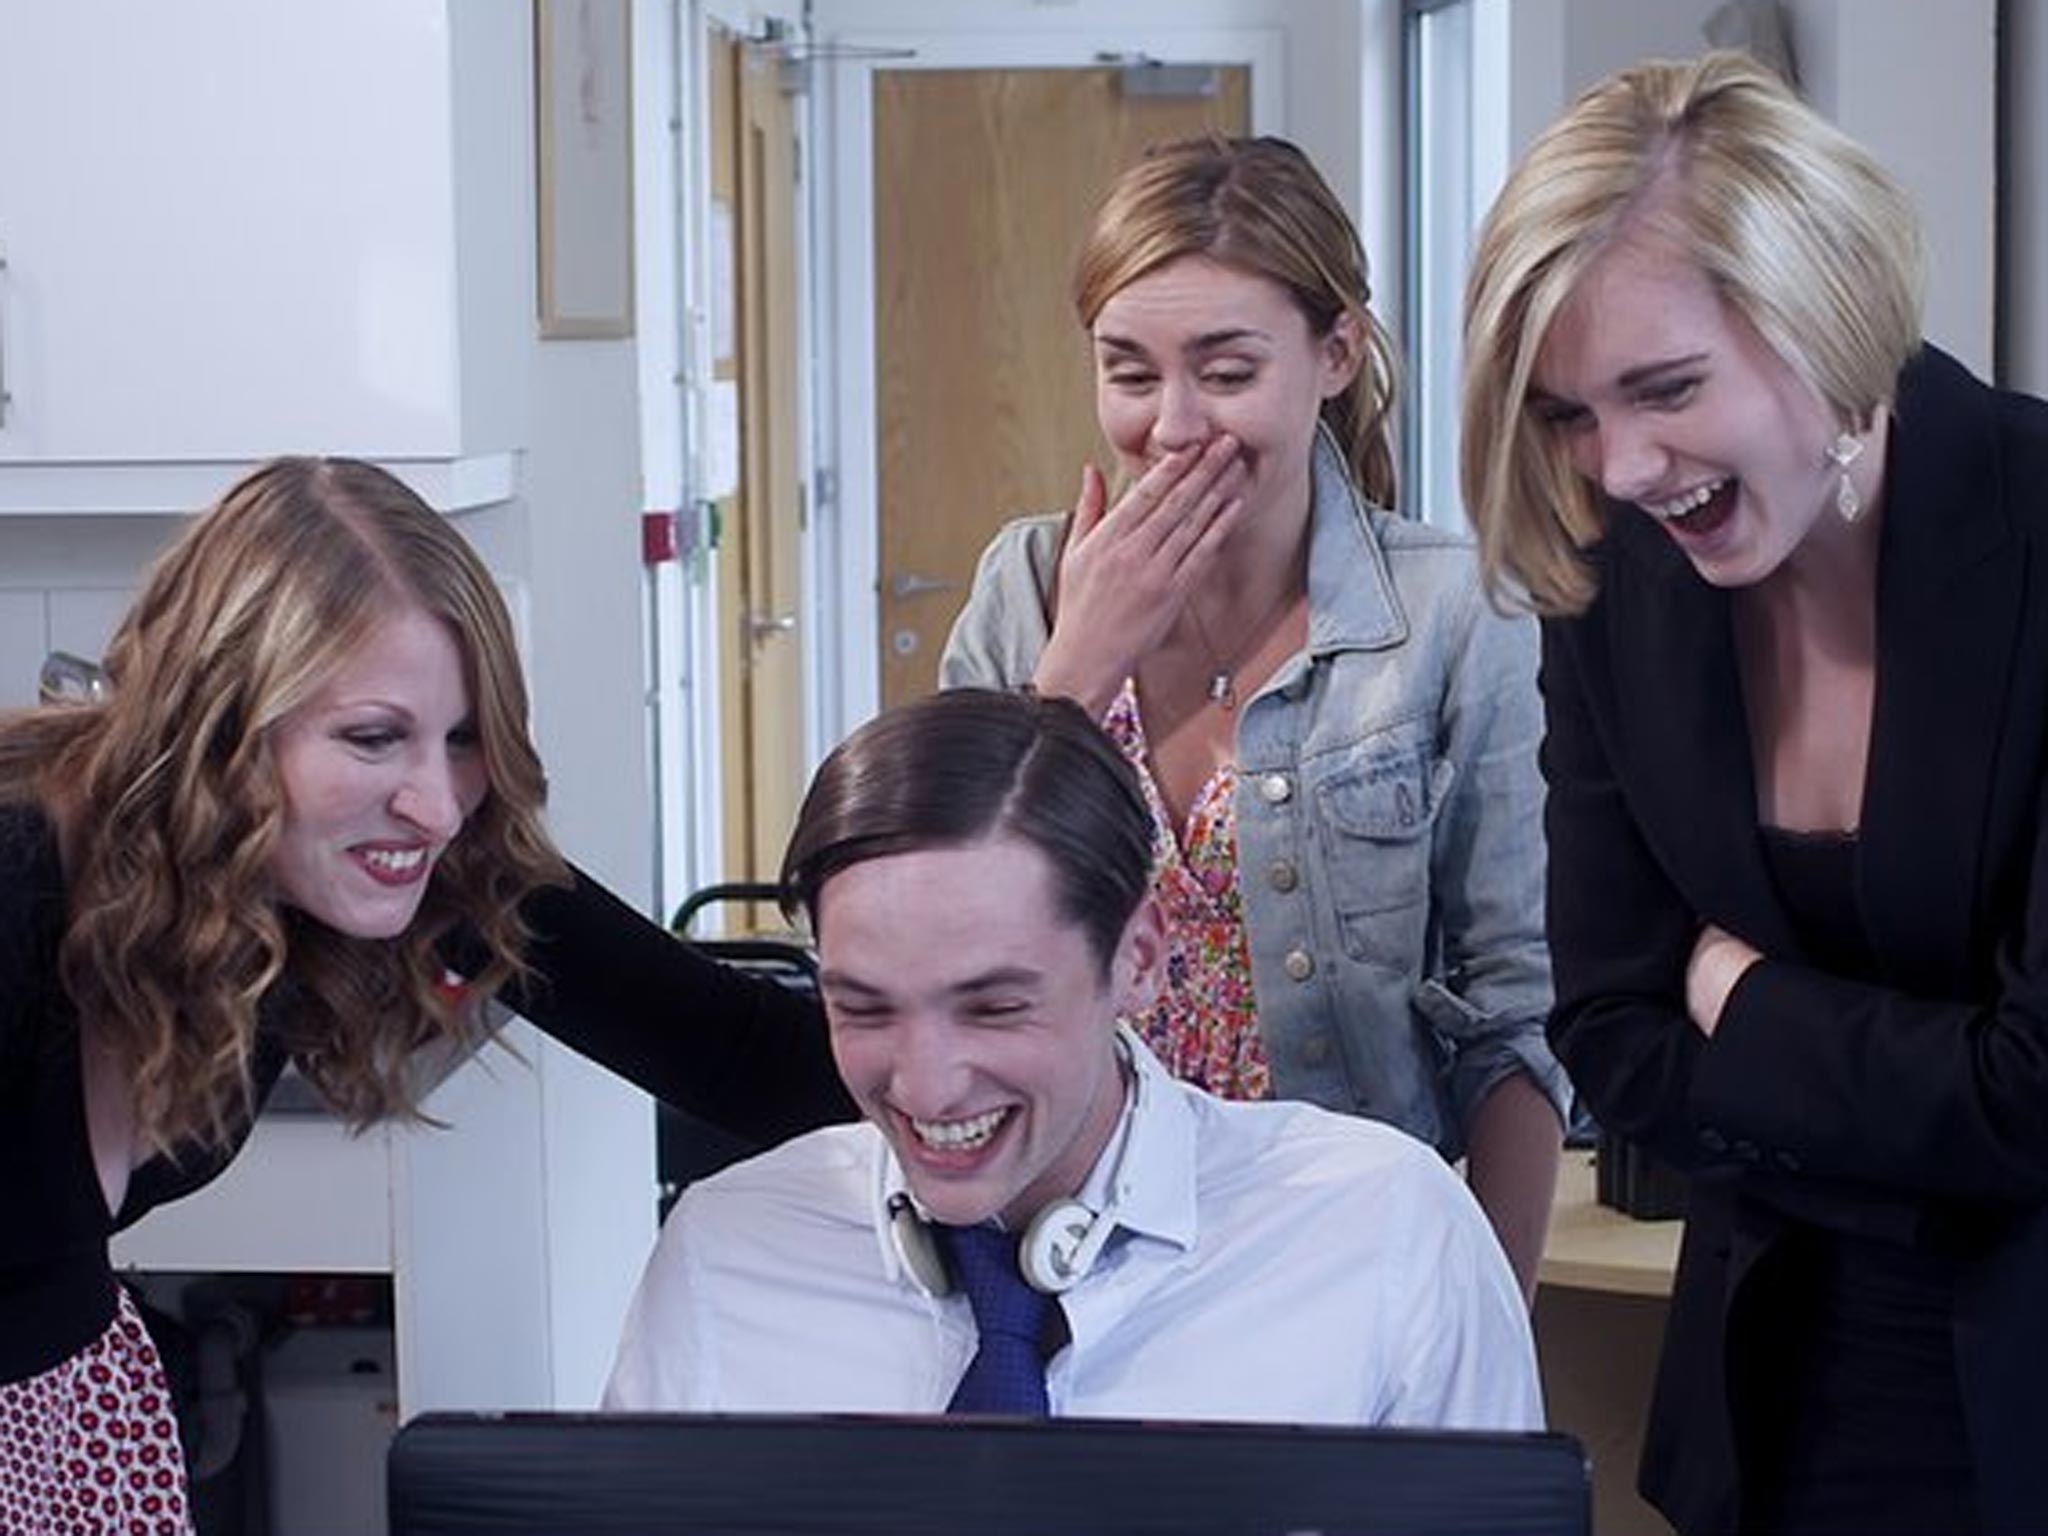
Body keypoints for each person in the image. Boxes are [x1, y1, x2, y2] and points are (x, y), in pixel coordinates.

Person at [0, 456, 849, 1534]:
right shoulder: (20, 882)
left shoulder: (395, 856)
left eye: (462, 739)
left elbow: (734, 1053)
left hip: (72, 1418)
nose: (439, 804)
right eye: (371, 737)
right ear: (219, 724)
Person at [1461, 50, 2048, 1536]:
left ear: (1824, 309)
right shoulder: (1611, 590)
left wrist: (1748, 1001)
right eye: (1568, 414)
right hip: (1776, 1395)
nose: (1625, 466)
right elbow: (1610, 1028)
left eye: (1666, 390)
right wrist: (1932, 1089)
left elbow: (2037, 1095)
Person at [939, 135, 1566, 1299]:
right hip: (1062, 1256)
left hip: (1337, 1257)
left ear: (1334, 354)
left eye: (1224, 373)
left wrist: (1487, 1315)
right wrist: (1075, 674)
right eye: (1128, 373)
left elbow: (1511, 1014)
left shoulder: (1451, 616)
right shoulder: (1024, 593)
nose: (1172, 427)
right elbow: (940, 933)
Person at [604, 688, 1539, 1426]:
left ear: (1138, 960)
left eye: (997, 1007)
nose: (925, 1084)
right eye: (863, 1008)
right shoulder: (723, 1255)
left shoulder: (1387, 1235)